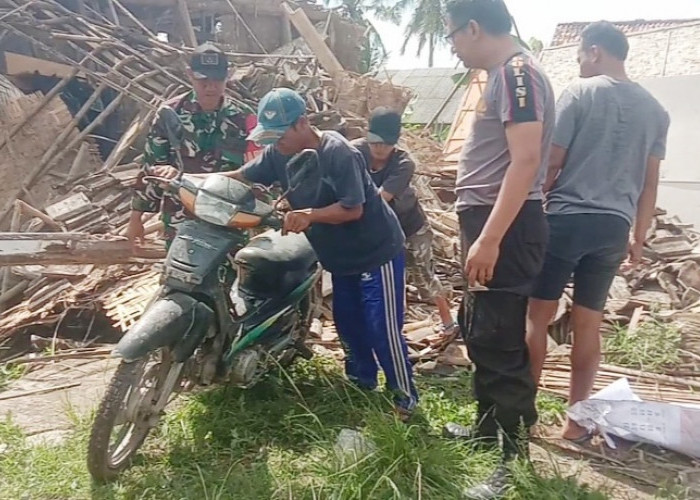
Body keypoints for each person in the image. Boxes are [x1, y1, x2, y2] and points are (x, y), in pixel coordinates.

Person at [225, 87, 419, 419]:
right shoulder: (279, 154)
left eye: (279, 133)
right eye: (269, 136)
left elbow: (353, 209)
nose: (275, 142)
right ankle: (361, 383)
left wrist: (309, 215)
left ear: (302, 123)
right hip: (339, 257)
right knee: (348, 323)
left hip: (375, 251)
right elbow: (243, 176)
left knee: (381, 327)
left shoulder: (337, 151)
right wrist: (192, 180)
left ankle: (405, 399)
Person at [526, 22, 670, 443]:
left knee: (537, 317)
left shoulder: (580, 92)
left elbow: (552, 162)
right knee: (589, 324)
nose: (579, 64)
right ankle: (576, 424)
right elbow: (650, 183)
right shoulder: (656, 110)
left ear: (594, 52)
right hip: (613, 227)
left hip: (567, 219)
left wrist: (527, 207)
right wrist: (638, 236)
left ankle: (526, 418)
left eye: (580, 56)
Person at [440, 1, 555, 497]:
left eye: (452, 34)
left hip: (502, 225)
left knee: (500, 337)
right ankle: (489, 431)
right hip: (494, 220)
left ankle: (510, 461)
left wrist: (490, 237)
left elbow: (526, 160)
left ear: (473, 27)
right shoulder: (511, 73)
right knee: (483, 331)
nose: (451, 44)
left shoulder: (517, 73)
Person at [128, 42, 260, 246]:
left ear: (228, 76)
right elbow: (150, 168)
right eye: (203, 79)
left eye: (217, 79)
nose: (210, 86)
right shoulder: (169, 114)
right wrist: (136, 219)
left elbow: (259, 172)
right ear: (189, 75)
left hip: (230, 220)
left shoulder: (245, 119)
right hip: (182, 220)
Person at [351, 108, 457, 337]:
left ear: (395, 142)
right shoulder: (355, 151)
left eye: (386, 144)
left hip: (409, 227)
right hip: (377, 230)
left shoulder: (403, 163)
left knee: (424, 275)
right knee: (385, 280)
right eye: (375, 142)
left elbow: (380, 199)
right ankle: (391, 328)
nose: (379, 148)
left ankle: (448, 320)